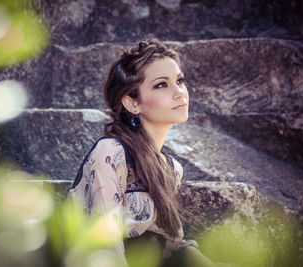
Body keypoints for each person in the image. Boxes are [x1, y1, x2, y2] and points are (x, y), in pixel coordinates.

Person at [68, 38, 231, 267]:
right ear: (133, 103)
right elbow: (105, 246)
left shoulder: (171, 168)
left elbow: (169, 249)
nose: (179, 93)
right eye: (162, 85)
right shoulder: (111, 152)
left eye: (180, 80)